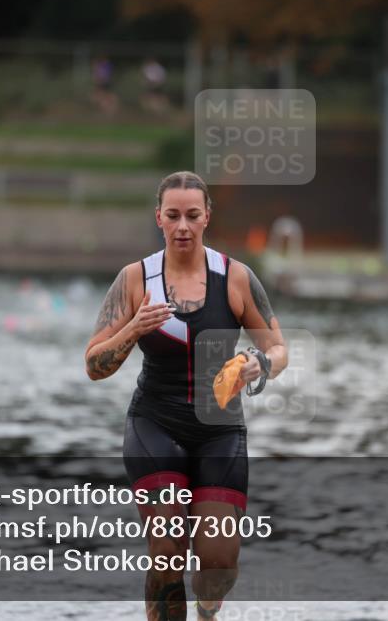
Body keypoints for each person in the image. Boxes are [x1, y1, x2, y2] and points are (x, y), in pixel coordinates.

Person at [84, 171, 288, 620]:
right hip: (155, 424)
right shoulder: (135, 279)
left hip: (219, 429)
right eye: (172, 215)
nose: (182, 226)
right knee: (168, 552)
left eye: (192, 216)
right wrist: (133, 329)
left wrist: (260, 363)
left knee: (218, 566)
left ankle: (208, 610)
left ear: (206, 218)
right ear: (158, 217)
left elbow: (278, 347)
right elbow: (94, 364)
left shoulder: (236, 278)